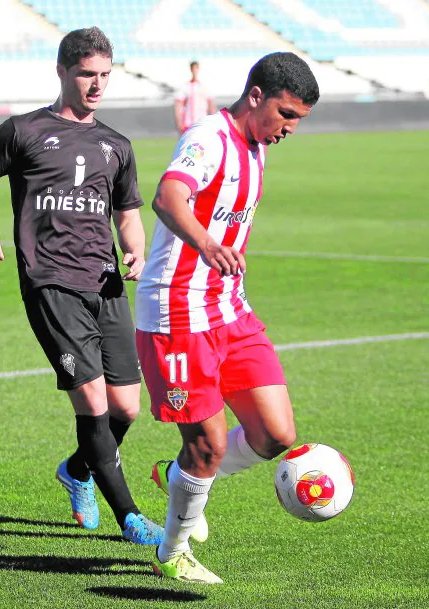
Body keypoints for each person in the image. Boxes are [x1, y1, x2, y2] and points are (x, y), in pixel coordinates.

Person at [0, 26, 163, 545]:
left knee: (127, 408)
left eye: (105, 77)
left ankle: (78, 469)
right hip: (51, 283)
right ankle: (132, 519)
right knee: (91, 403)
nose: (97, 86)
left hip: (107, 284)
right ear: (63, 72)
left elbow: (127, 214)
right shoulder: (23, 130)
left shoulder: (117, 145)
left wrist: (134, 247)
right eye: (87, 75)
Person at [135, 52, 320, 582]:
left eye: (299, 121)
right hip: (178, 311)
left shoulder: (257, 147)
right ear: (256, 95)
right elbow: (168, 197)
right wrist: (207, 244)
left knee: (276, 434)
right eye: (286, 115)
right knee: (209, 445)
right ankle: (172, 551)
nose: (290, 129)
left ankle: (178, 476)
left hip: (229, 308)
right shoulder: (207, 138)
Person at [174, 61, 216, 134]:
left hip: (202, 122)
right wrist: (179, 121)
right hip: (188, 123)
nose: (195, 70)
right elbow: (178, 105)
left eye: (196, 68)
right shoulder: (186, 86)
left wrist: (214, 120)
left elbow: (210, 105)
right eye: (193, 68)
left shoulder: (204, 86)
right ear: (191, 69)